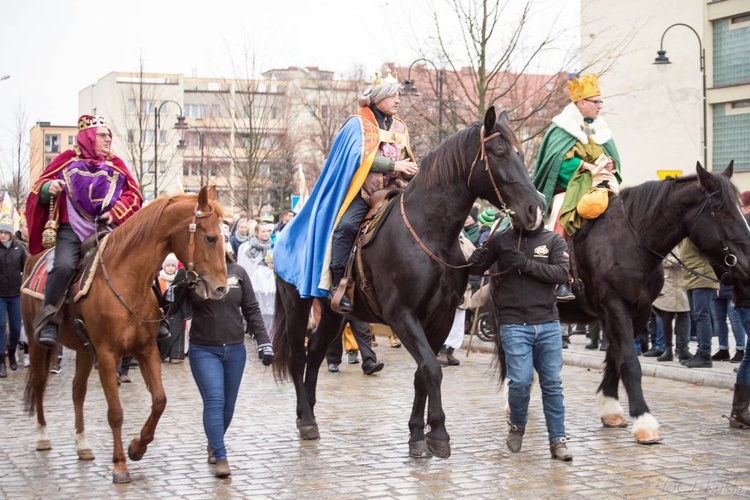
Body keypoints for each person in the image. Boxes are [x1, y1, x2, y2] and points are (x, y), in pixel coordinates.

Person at [273, 70, 418, 314]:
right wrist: (394, 165)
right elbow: (357, 157)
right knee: (346, 227)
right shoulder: (358, 124)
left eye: (398, 95)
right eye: (392, 95)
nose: (398, 100)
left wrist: (412, 169)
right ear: (378, 97)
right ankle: (338, 283)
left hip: (395, 191)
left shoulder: (401, 127)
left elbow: (406, 158)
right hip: (364, 193)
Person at [26, 115, 143, 348]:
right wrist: (52, 187)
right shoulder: (66, 160)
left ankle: (151, 317)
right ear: (88, 137)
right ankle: (49, 319)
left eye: (109, 135)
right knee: (64, 266)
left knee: (134, 263)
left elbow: (134, 195)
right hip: (71, 230)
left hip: (106, 229)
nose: (108, 139)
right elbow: (39, 187)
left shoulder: (115, 164)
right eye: (102, 135)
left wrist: (116, 212)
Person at [467, 214, 573, 461]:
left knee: (552, 384)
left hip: (547, 323)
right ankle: (517, 425)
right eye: (515, 214)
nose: (520, 218)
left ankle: (558, 440)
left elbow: (560, 273)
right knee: (520, 381)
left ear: (538, 212)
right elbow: (476, 269)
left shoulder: (554, 240)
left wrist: (525, 264)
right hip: (514, 324)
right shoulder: (501, 240)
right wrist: (476, 258)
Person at [168, 241, 273, 478]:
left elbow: (252, 309)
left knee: (228, 405)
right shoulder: (191, 274)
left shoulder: (238, 272)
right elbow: (170, 308)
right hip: (204, 349)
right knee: (214, 400)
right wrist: (180, 284)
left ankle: (214, 442)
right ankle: (221, 455)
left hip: (235, 350)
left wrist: (264, 342)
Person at [531, 73, 621, 300]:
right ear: (581, 103)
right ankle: (559, 278)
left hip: (598, 187)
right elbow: (557, 163)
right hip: (569, 189)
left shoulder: (601, 129)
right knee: (561, 218)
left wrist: (609, 163)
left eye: (601, 101)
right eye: (596, 101)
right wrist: (586, 167)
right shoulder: (562, 128)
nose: (600, 106)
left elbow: (609, 157)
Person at [680, 238, 718, 368]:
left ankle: (705, 354)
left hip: (702, 278)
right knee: (697, 316)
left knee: (702, 316)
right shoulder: (686, 236)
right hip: (690, 279)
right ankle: (700, 352)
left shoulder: (697, 233)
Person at [653, 249, 692, 362]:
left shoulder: (686, 241)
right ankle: (668, 349)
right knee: (666, 318)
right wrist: (675, 261)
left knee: (684, 316)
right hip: (667, 285)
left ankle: (683, 349)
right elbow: (660, 258)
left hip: (682, 285)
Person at [0, 218, 27, 377]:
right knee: (1, 326)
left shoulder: (19, 249)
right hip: (0, 295)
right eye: (0, 233)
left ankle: (11, 352)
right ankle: (1, 361)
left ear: (11, 234)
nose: (2, 236)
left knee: (16, 328)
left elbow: (26, 268)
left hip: (16, 294)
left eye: (5, 233)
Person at [710, 281, 746, 363]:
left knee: (735, 320)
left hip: (733, 289)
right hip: (715, 289)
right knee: (718, 320)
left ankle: (740, 349)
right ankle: (723, 349)